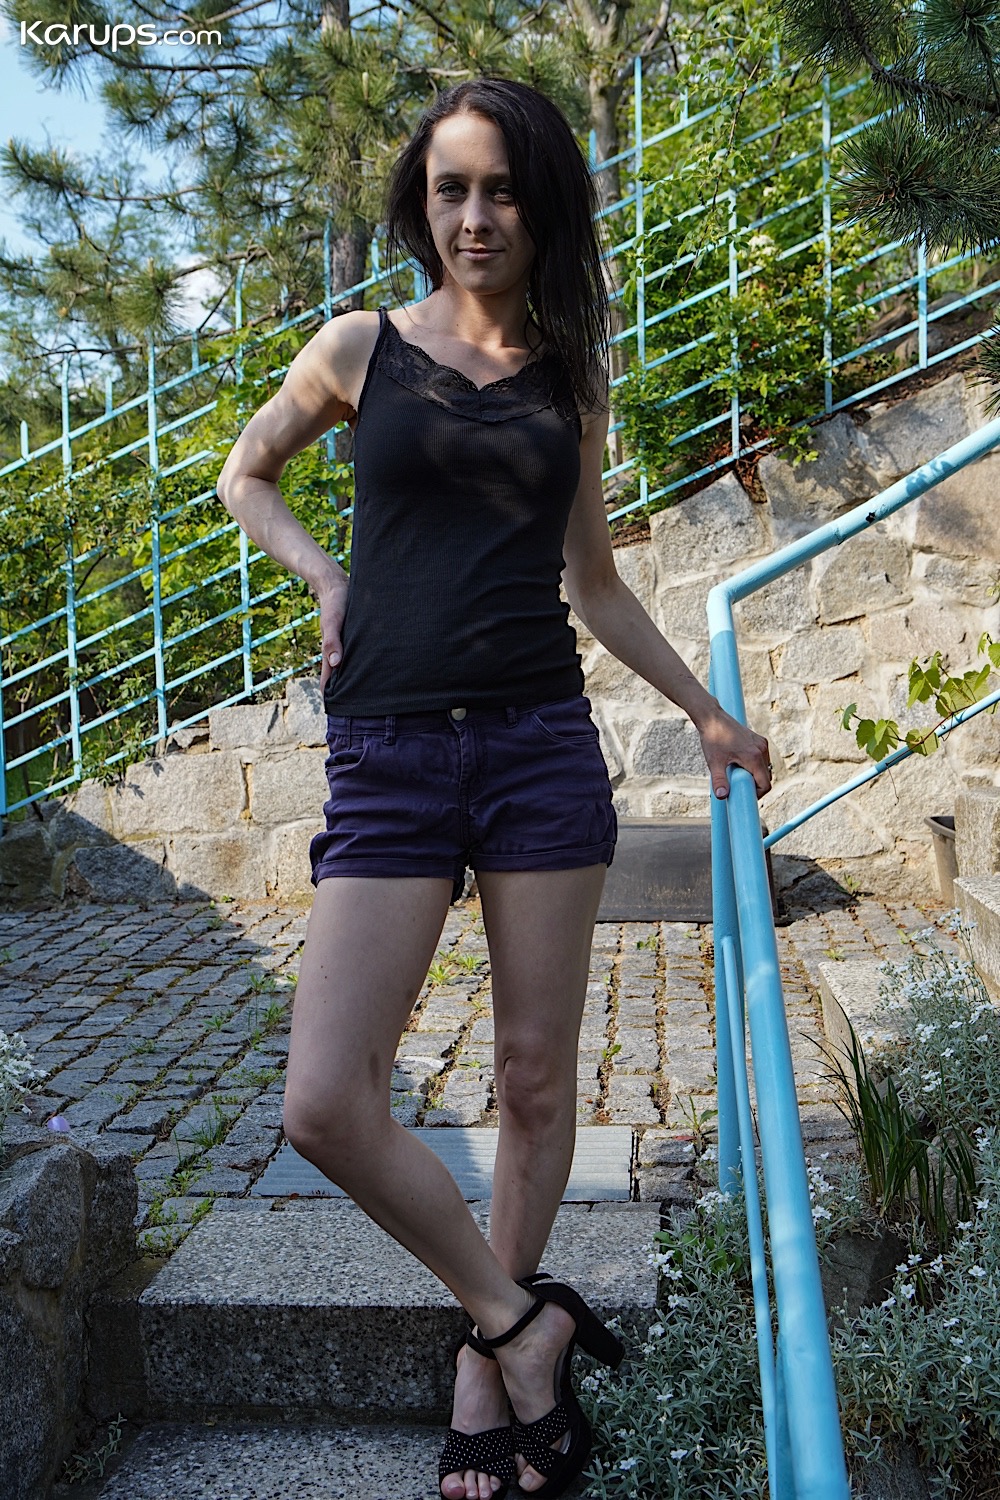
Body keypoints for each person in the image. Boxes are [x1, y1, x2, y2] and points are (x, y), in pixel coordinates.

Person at [216, 76, 771, 1500]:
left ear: (543, 205)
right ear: (424, 204)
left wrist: (704, 712)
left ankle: (490, 1369)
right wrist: (325, 575)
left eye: (503, 188)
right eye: (451, 188)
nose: (476, 216)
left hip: (536, 748)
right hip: (390, 755)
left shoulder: (571, 377)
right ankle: (526, 1322)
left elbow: (595, 582)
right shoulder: (361, 347)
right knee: (324, 1100)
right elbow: (245, 475)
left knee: (532, 1075)